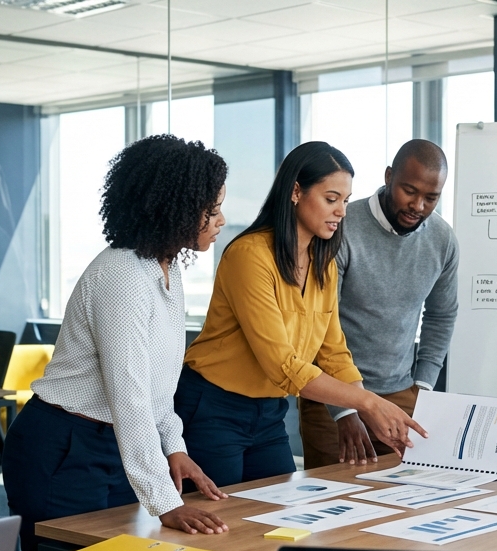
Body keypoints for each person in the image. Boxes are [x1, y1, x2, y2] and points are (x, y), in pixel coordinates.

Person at [3, 135, 230, 551]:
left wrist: (174, 448)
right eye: (211, 209)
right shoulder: (122, 276)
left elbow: (157, 385)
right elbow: (128, 396)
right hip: (63, 447)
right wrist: (166, 502)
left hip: (111, 445)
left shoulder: (165, 269)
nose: (220, 219)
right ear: (174, 207)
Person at [177, 141, 426, 487]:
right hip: (214, 409)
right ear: (296, 191)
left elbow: (334, 352)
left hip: (270, 414)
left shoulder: (324, 263)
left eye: (346, 200)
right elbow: (282, 365)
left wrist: (360, 409)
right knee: (218, 526)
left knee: (279, 514)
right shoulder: (249, 256)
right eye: (331, 198)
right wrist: (369, 402)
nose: (341, 211)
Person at [298, 139, 458, 468]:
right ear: (389, 177)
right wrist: (345, 409)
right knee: (331, 504)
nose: (419, 206)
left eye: (431, 197)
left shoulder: (442, 239)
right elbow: (319, 322)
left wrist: (423, 389)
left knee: (404, 502)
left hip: (402, 393)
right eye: (409, 191)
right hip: (333, 396)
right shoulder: (339, 228)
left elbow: (441, 315)